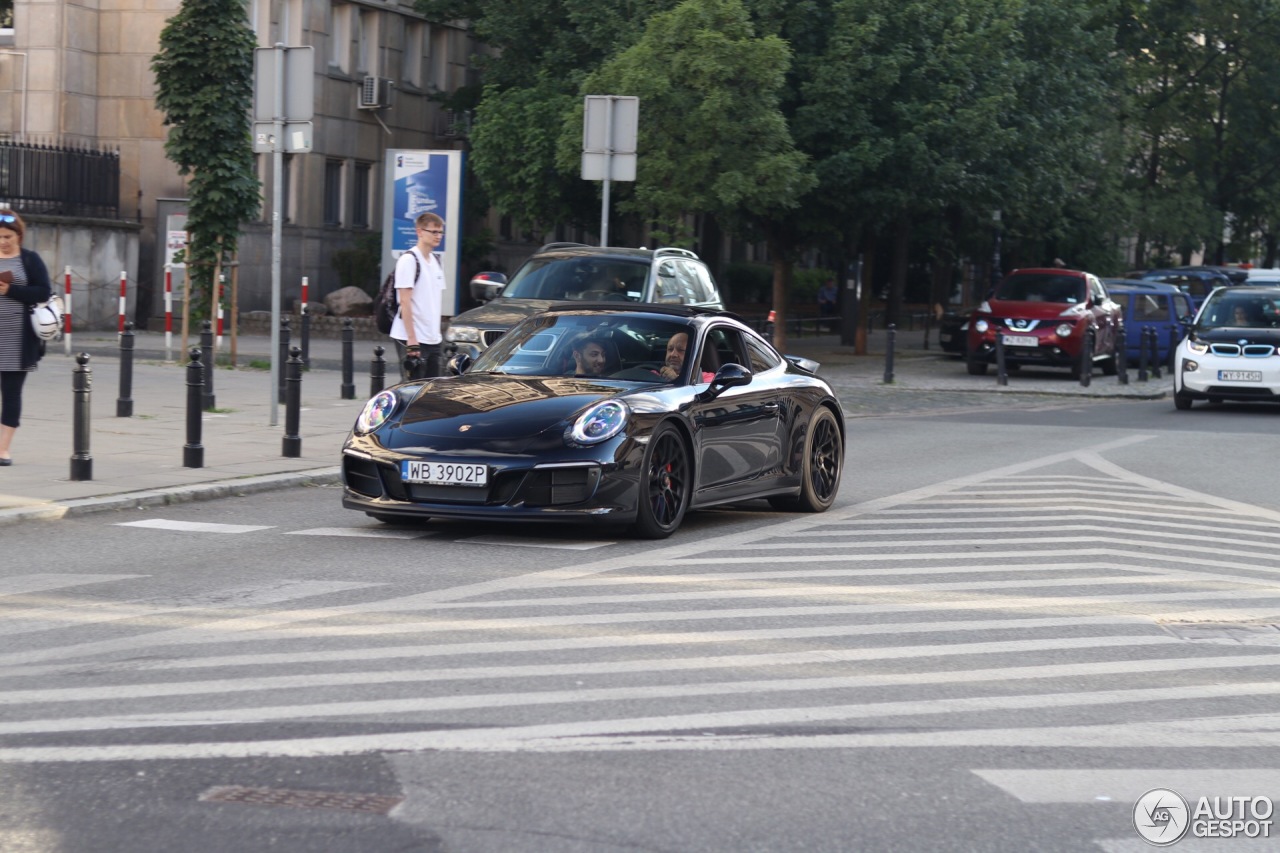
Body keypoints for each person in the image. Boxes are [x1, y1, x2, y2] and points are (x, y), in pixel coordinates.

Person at [0, 209, 52, 466]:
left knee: (11, 394)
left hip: (16, 340)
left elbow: (43, 292)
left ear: (19, 236)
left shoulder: (29, 260)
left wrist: (10, 290)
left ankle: (3, 449)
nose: (3, 241)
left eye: (8, 236)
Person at [390, 212, 446, 380]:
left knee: (431, 390)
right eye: (434, 232)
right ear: (420, 232)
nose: (438, 236)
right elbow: (405, 302)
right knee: (412, 390)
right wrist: (412, 340)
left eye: (440, 232)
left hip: (433, 338)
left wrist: (437, 335)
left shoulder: (436, 261)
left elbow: (434, 302)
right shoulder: (409, 260)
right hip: (413, 338)